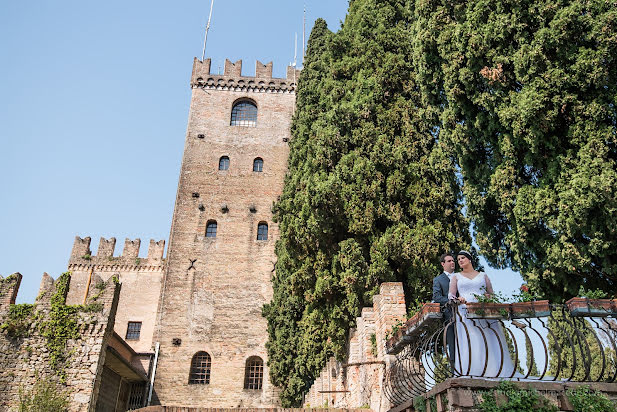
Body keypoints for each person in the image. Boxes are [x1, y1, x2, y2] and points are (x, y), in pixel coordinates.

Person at [448, 250, 517, 378]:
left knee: (488, 336)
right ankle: (473, 371)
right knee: (472, 338)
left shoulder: (483, 275)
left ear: (469, 259)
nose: (460, 261)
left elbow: (491, 294)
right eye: (458, 259)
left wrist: (487, 297)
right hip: (465, 310)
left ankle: (494, 370)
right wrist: (459, 300)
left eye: (463, 258)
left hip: (483, 309)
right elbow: (451, 296)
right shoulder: (456, 277)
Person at [432, 253, 456, 362]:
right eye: (449, 261)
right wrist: (451, 301)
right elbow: (436, 297)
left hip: (465, 313)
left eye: (453, 260)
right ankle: (455, 371)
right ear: (443, 264)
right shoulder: (438, 279)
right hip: (449, 315)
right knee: (453, 343)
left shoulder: (460, 277)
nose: (452, 262)